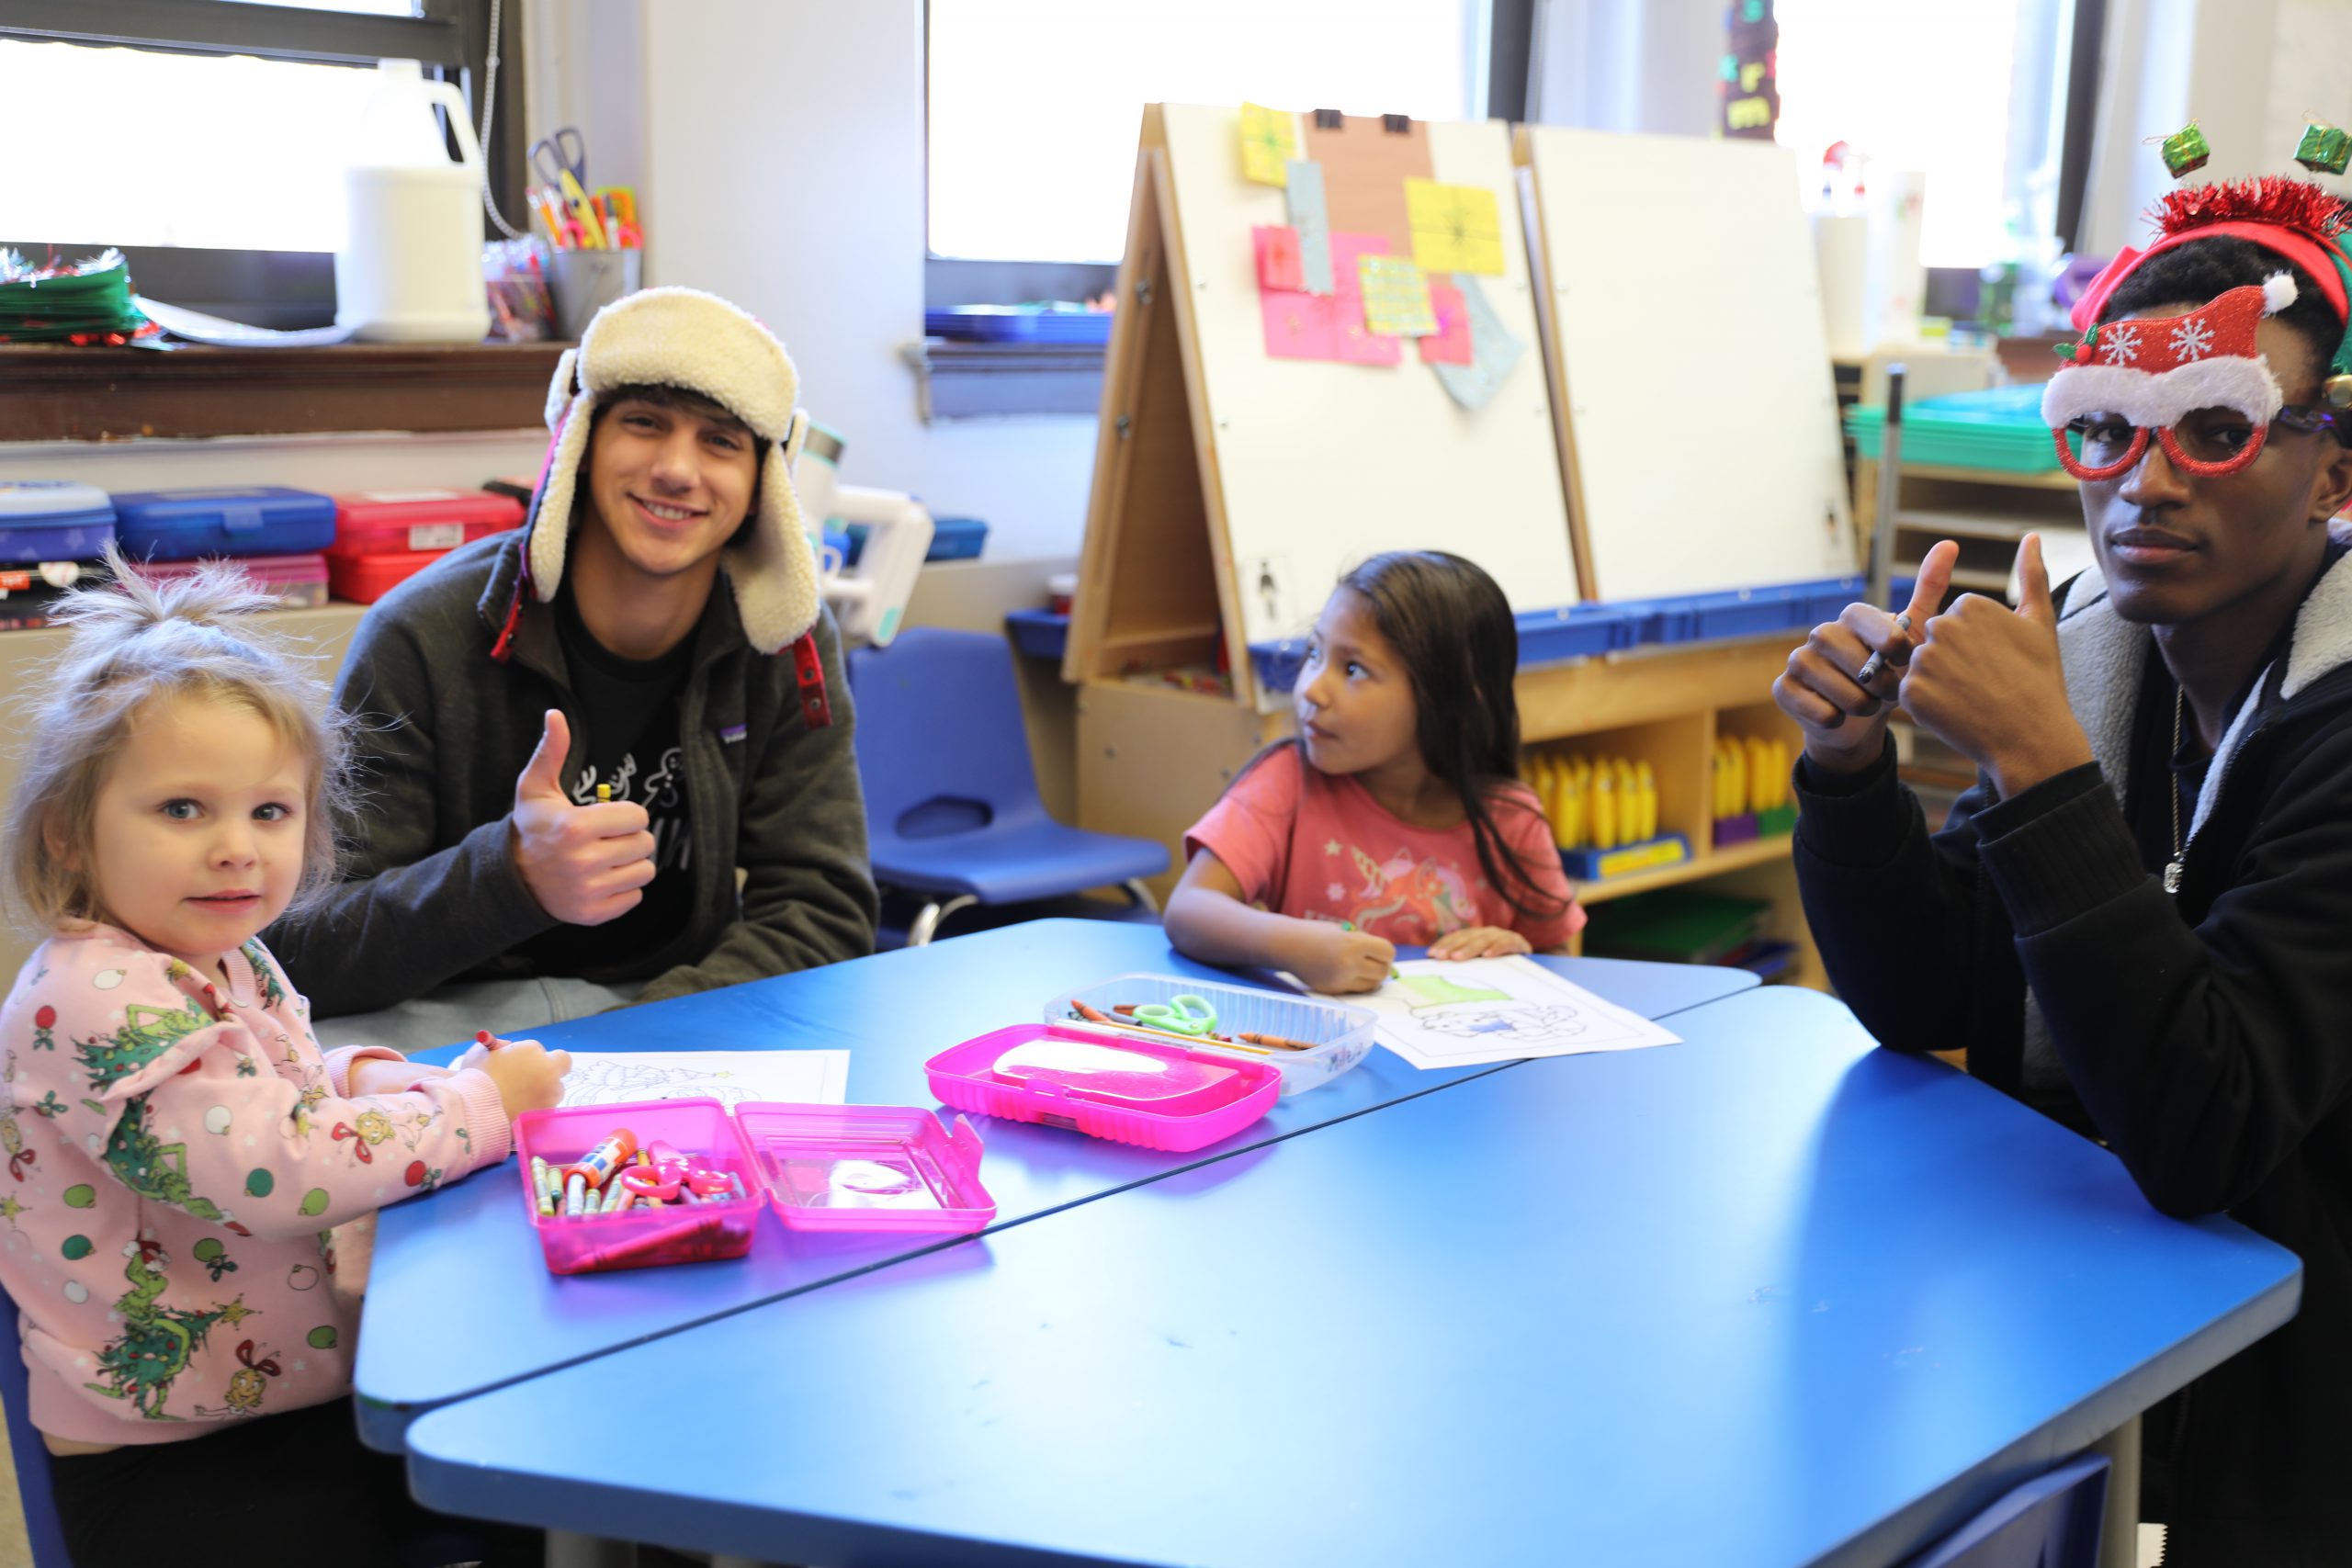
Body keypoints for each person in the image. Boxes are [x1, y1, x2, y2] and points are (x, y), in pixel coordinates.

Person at [1775, 172, 2352, 1563]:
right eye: (2106, 430)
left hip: (2301, 1399)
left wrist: (2039, 768)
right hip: (2092, 1322)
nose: (2143, 483)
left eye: (2217, 430)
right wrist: (1850, 777)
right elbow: (1930, 992)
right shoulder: (2105, 657)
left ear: (2337, 473)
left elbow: (2209, 1126)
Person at [0, 557, 570, 1567]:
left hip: (275, 1394)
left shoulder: (219, 954)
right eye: (183, 810)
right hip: (174, 1459)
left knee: (534, 1489)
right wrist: (480, 1106)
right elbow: (280, 1169)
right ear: (69, 834)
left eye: (269, 812)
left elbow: (275, 1080)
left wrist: (366, 1079)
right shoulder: (92, 993)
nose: (237, 850)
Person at [266, 287, 877, 1048]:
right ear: (581, 442)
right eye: (645, 423)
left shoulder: (782, 637)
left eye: (721, 440)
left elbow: (823, 909)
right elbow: (303, 949)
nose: (678, 469)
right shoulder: (420, 634)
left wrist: (638, 1039)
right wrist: (510, 876)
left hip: (670, 1009)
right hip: (450, 1023)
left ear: (763, 483)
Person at [1165, 551, 1582, 993]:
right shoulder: (1288, 782)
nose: (1311, 688)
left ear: (1451, 701)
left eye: (1353, 669)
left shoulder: (1511, 818)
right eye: (1314, 653)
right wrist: (1293, 946)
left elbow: (1563, 957)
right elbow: (1190, 908)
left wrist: (1516, 952)